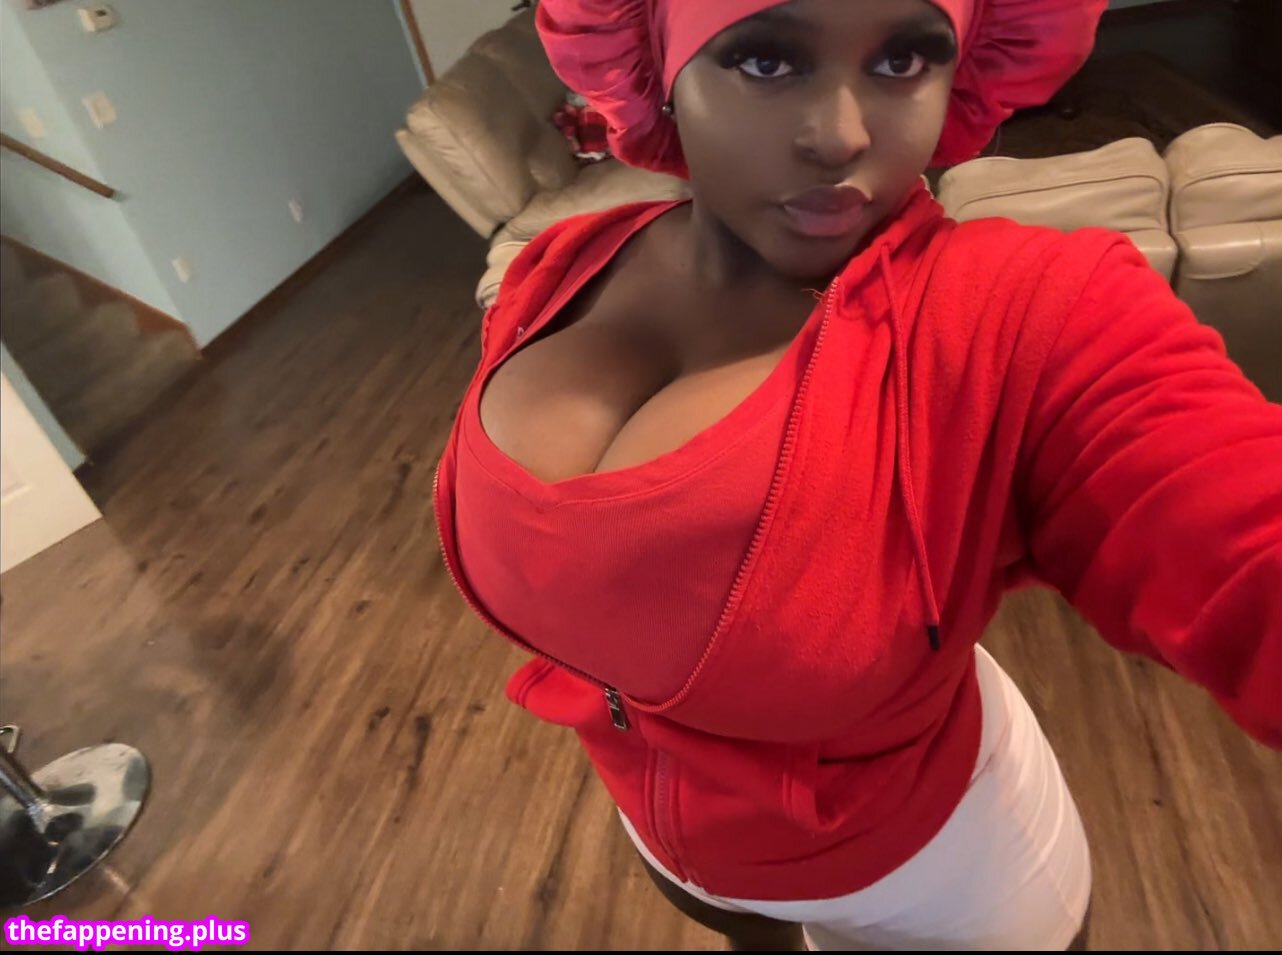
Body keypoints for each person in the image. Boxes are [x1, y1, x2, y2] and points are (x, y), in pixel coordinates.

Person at [431, 0, 1282, 949]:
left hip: (939, 882)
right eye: (765, 60)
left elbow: (1240, 534)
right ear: (657, 68)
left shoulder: (1023, 316)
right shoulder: (559, 267)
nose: (842, 135)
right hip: (674, 850)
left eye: (905, 59)